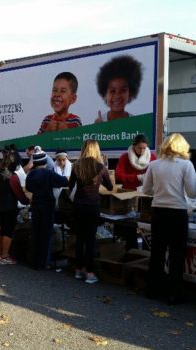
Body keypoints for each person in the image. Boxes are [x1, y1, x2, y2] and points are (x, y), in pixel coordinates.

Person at [142, 133, 196, 305]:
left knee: (157, 252)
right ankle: (174, 293)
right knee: (176, 254)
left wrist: (159, 192)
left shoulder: (154, 164)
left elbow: (146, 190)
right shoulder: (186, 164)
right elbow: (193, 192)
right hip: (177, 212)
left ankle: (152, 289)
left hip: (158, 210)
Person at [68, 140, 113, 284]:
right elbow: (110, 187)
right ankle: (90, 272)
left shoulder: (76, 166)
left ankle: (78, 270)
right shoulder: (100, 167)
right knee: (91, 240)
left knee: (80, 239)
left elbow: (70, 186)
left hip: (78, 205)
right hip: (93, 206)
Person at [25, 147, 69, 270]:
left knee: (35, 232)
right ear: (45, 162)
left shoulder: (31, 175)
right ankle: (42, 263)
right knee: (45, 234)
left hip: (36, 205)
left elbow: (28, 188)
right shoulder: (49, 173)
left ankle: (32, 261)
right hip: (47, 205)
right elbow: (64, 182)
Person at [0, 149, 30, 265]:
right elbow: (19, 193)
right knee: (8, 231)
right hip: (9, 207)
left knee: (2, 229)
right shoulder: (12, 176)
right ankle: (4, 256)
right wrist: (27, 201)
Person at [95, 55, 143, 123]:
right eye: (112, 91)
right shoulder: (99, 123)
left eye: (123, 90)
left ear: (130, 93)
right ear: (105, 94)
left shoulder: (136, 123)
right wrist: (97, 131)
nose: (117, 96)